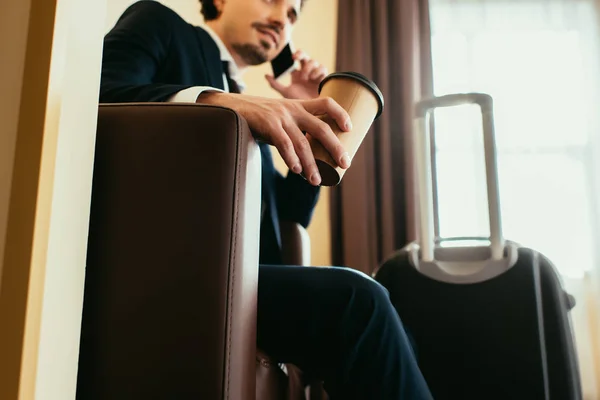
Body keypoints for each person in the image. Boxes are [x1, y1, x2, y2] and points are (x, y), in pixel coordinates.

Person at [100, 0, 433, 398]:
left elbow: (291, 213)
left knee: (395, 322)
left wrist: (314, 139)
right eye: (272, 0)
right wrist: (223, 103)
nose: (281, 19)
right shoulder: (159, 23)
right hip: (174, 269)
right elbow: (102, 94)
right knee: (360, 302)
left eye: (293, 15)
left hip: (250, 280)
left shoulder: (253, 108)